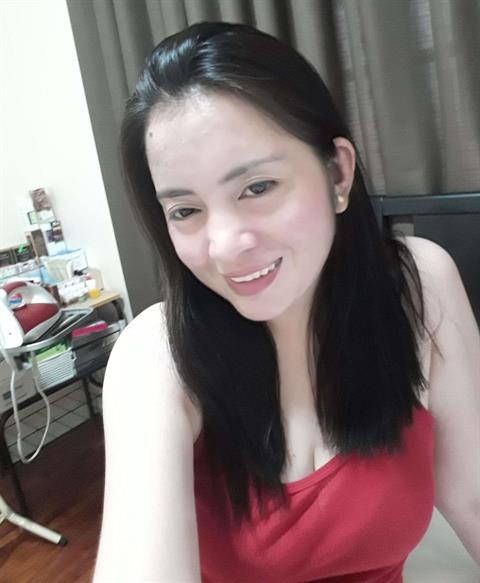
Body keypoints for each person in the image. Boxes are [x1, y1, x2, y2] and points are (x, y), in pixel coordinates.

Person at [93, 22, 480, 582]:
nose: (225, 246)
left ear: (337, 171)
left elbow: (472, 497)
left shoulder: (418, 289)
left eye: (257, 187)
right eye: (186, 211)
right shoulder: (157, 357)